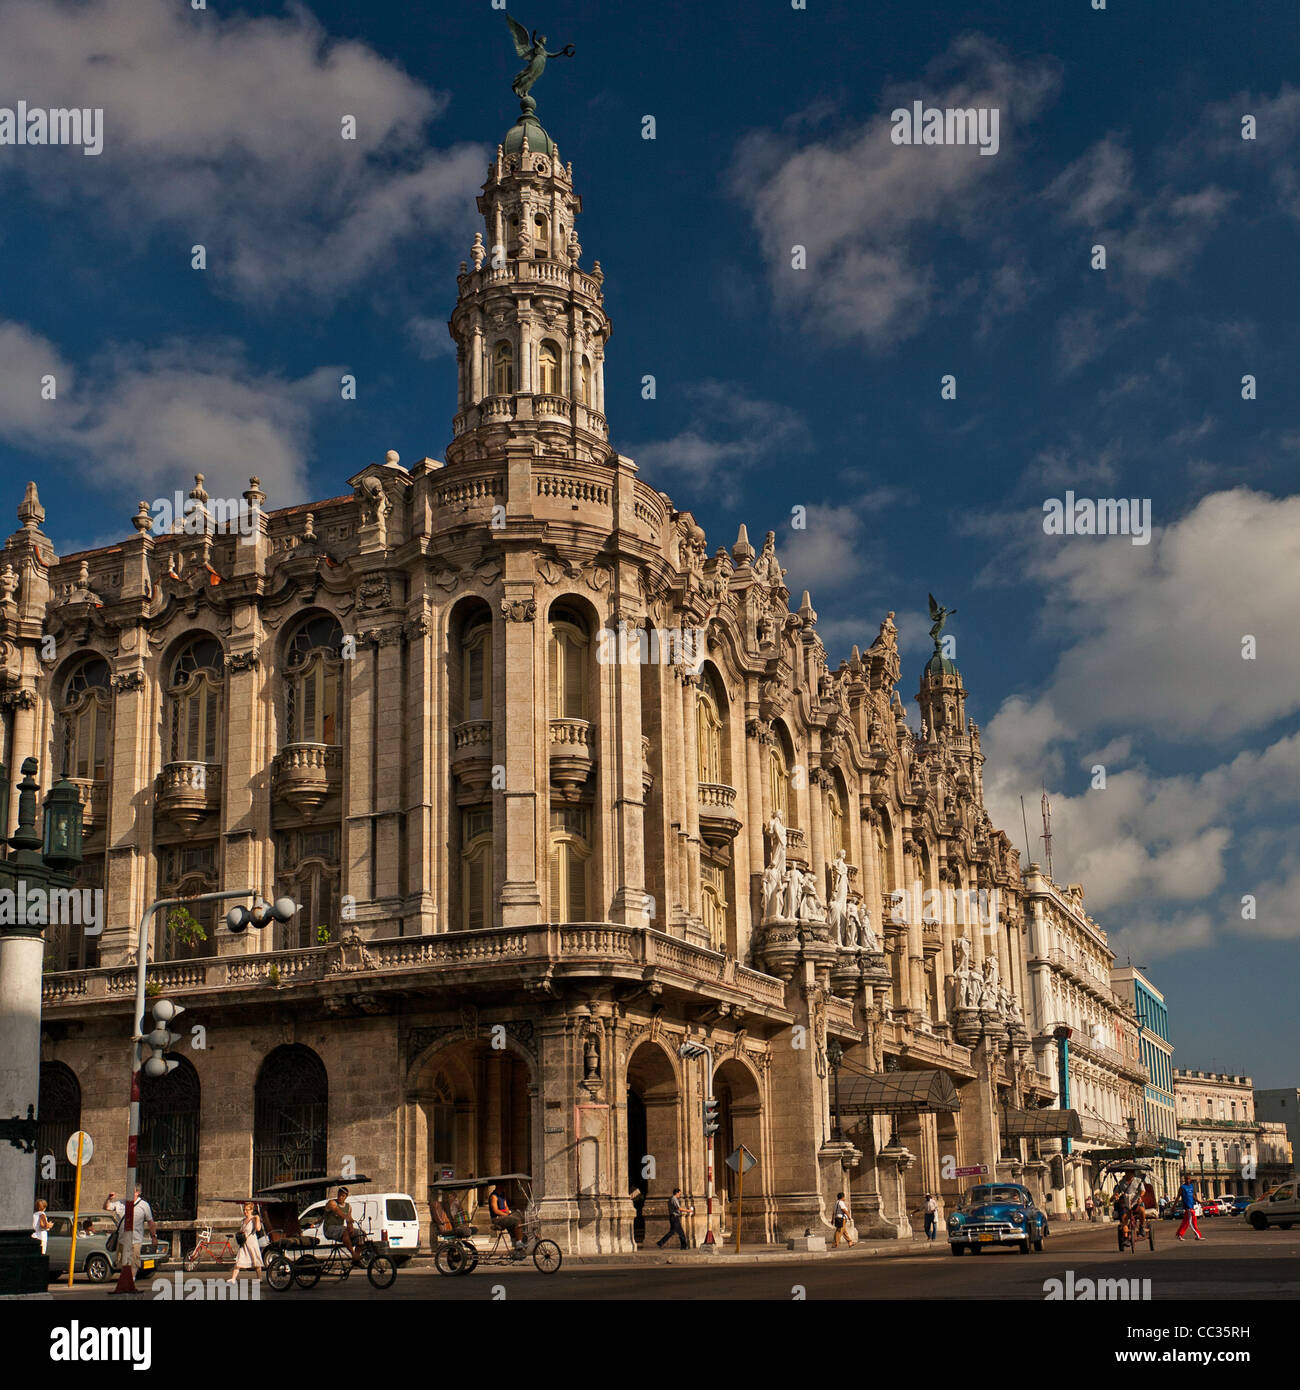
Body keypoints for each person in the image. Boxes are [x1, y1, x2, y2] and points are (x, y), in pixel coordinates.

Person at [103, 1186, 156, 1270]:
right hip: (122, 1240)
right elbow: (106, 1207)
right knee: (122, 1264)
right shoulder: (120, 1203)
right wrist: (109, 1199)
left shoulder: (144, 1205)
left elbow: (151, 1222)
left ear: (137, 1193)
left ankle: (132, 1279)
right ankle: (125, 1279)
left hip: (135, 1240)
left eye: (132, 1191)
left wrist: (153, 1237)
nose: (129, 1194)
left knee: (134, 1264)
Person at [322, 1186, 363, 1264]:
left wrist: (350, 1226)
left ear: (346, 1197)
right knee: (344, 1231)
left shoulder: (348, 1206)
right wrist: (346, 1218)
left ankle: (356, 1258)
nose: (340, 1197)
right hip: (329, 1229)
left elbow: (349, 1219)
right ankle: (353, 1254)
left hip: (340, 1228)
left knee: (361, 1233)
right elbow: (337, 1211)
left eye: (342, 1196)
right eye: (339, 1195)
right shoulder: (332, 1203)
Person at [228, 1202, 264, 1285]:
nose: (245, 1212)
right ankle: (233, 1278)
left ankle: (259, 1278)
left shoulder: (254, 1219)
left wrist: (257, 1219)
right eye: (244, 1210)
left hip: (252, 1243)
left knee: (256, 1260)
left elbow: (258, 1229)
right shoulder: (243, 1220)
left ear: (251, 1210)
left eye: (247, 1210)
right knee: (239, 1260)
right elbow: (242, 1230)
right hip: (244, 1243)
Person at [488, 1184, 525, 1255]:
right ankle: (518, 1242)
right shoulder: (494, 1196)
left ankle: (516, 1242)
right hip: (497, 1218)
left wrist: (510, 1213)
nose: (504, 1188)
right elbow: (495, 1210)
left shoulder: (502, 1195)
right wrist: (506, 1215)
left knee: (518, 1216)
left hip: (504, 1217)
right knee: (516, 1221)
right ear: (499, 1186)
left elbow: (506, 1207)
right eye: (503, 1186)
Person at [1177, 1173, 1203, 1242]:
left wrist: (1199, 1201)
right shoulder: (1182, 1187)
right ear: (1184, 1180)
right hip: (1188, 1208)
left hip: (1191, 1206)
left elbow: (1193, 1196)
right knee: (1192, 1223)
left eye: (1188, 1179)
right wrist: (1173, 1207)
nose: (1187, 1180)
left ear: (1190, 1179)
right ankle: (1198, 1235)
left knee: (1186, 1222)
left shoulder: (1191, 1186)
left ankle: (1179, 1234)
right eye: (1186, 1179)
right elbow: (1178, 1197)